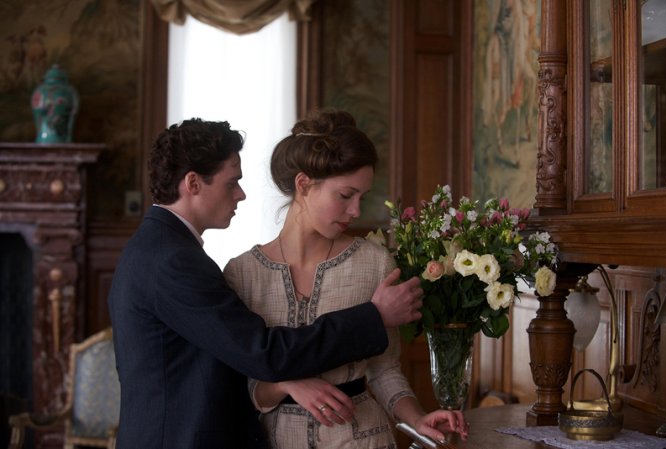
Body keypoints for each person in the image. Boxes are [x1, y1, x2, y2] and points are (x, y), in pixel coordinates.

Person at [107, 118, 424, 449]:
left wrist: (416, 419)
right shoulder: (175, 260)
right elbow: (262, 353)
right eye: (232, 182)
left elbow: (240, 358)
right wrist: (374, 316)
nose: (241, 194)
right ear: (193, 183)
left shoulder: (161, 249)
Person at [223, 109, 469, 448]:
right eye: (345, 195)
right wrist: (284, 384)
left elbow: (384, 370)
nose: (356, 211)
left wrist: (416, 419)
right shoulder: (242, 273)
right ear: (303, 184)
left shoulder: (374, 263)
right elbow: (239, 382)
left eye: (361, 198)